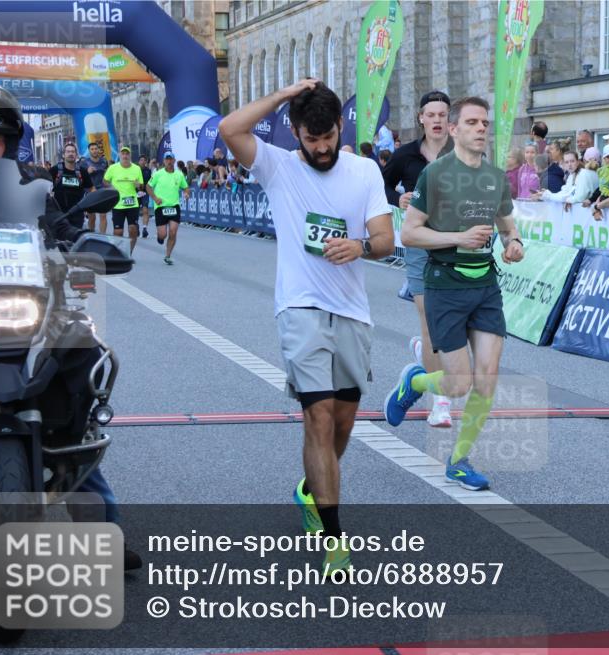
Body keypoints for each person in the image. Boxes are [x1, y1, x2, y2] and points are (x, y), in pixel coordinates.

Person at [0, 82, 140, 570]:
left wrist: (84, 245)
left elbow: (62, 228)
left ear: (12, 142)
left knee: (80, 365)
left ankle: (104, 527)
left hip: (24, 305)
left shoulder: (31, 185)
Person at [220, 79, 394, 573]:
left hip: (353, 312)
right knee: (317, 416)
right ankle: (334, 537)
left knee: (342, 422)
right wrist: (280, 95)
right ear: (296, 132)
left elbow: (384, 239)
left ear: (341, 127)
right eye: (310, 139)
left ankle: (310, 490)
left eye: (328, 137)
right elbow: (231, 127)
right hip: (299, 308)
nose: (321, 149)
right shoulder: (278, 167)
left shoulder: (363, 171)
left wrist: (359, 246)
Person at [388, 96, 525, 492]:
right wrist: (457, 238)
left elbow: (507, 226)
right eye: (472, 122)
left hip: (485, 286)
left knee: (487, 378)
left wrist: (514, 244)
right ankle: (414, 383)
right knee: (459, 383)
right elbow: (409, 233)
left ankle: (459, 461)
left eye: (485, 123)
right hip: (445, 286)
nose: (481, 128)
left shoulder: (496, 177)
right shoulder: (435, 175)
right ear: (454, 130)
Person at [380, 90, 456, 428]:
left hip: (456, 247)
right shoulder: (405, 155)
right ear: (421, 119)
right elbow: (380, 186)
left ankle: (419, 361)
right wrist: (398, 197)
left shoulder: (463, 152)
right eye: (431, 114)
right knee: (432, 324)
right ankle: (440, 401)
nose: (437, 120)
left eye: (443, 114)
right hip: (418, 246)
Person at [146, 151, 190, 265]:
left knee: (173, 231)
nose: (169, 161)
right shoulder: (157, 174)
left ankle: (168, 255)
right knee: (163, 235)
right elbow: (148, 186)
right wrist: (155, 198)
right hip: (160, 207)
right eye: (167, 159)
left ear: (174, 161)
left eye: (171, 159)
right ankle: (160, 237)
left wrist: (186, 193)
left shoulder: (179, 175)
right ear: (164, 161)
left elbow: (186, 187)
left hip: (174, 206)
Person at [102, 146, 144, 253]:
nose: (125, 156)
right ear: (120, 155)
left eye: (127, 154)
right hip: (118, 204)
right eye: (123, 154)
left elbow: (142, 186)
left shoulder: (136, 168)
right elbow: (105, 181)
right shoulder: (113, 168)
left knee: (133, 230)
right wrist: (111, 187)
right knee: (118, 232)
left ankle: (128, 254)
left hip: (132, 204)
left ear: (130, 156)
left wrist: (138, 185)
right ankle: (118, 252)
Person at [50, 142, 94, 227]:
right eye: (68, 151)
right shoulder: (55, 170)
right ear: (63, 155)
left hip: (77, 214)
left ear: (76, 155)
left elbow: (92, 189)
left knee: (76, 238)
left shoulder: (82, 171)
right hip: (59, 214)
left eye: (73, 152)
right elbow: (45, 188)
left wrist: (89, 205)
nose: (71, 154)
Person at [79, 141, 109, 233]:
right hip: (90, 190)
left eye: (96, 149)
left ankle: (102, 236)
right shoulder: (84, 163)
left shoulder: (104, 161)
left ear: (99, 150)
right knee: (92, 217)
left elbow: (108, 174)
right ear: (89, 151)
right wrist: (87, 172)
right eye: (92, 149)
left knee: (103, 215)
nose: (94, 151)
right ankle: (91, 233)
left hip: (102, 190)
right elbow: (80, 177)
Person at [137, 155, 153, 238]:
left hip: (144, 193)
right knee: (135, 211)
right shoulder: (134, 170)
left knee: (145, 211)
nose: (143, 162)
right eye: (141, 160)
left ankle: (145, 229)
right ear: (138, 161)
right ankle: (136, 226)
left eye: (144, 160)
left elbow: (150, 182)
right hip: (135, 193)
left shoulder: (148, 171)